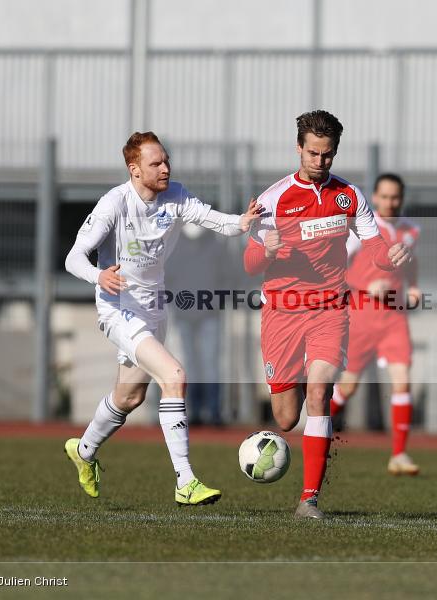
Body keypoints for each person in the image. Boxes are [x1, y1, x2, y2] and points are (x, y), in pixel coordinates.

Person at [64, 131, 260, 506]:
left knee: (130, 395)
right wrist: (98, 275)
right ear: (134, 170)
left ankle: (84, 450)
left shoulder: (176, 195)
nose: (165, 168)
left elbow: (214, 220)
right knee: (175, 376)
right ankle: (185, 481)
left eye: (166, 160)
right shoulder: (114, 204)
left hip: (155, 308)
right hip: (118, 308)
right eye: (156, 163)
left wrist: (243, 221)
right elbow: (73, 258)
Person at [243, 111, 410, 519]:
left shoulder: (349, 196)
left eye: (328, 155)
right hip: (281, 313)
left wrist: (388, 259)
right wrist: (265, 249)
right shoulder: (273, 199)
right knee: (285, 419)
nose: (320, 162)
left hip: (330, 309)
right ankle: (297, 383)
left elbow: (372, 247)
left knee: (319, 390)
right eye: (313, 153)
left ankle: (309, 499)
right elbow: (248, 262)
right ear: (298, 148)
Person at [330, 173, 422, 476]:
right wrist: (368, 288)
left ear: (402, 198)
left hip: (394, 317)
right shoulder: (361, 229)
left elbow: (411, 263)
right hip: (362, 316)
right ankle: (317, 432)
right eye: (384, 197)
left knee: (402, 378)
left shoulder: (409, 231)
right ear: (375, 197)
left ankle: (399, 454)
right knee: (348, 386)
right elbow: (337, 271)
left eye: (395, 197)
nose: (389, 202)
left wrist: (412, 286)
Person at [165, 222, 228, 426]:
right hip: (184, 315)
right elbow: (168, 278)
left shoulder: (215, 246)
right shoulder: (175, 245)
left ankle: (213, 412)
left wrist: (217, 302)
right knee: (188, 364)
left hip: (210, 314)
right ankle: (193, 412)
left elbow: (227, 277)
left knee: (210, 364)